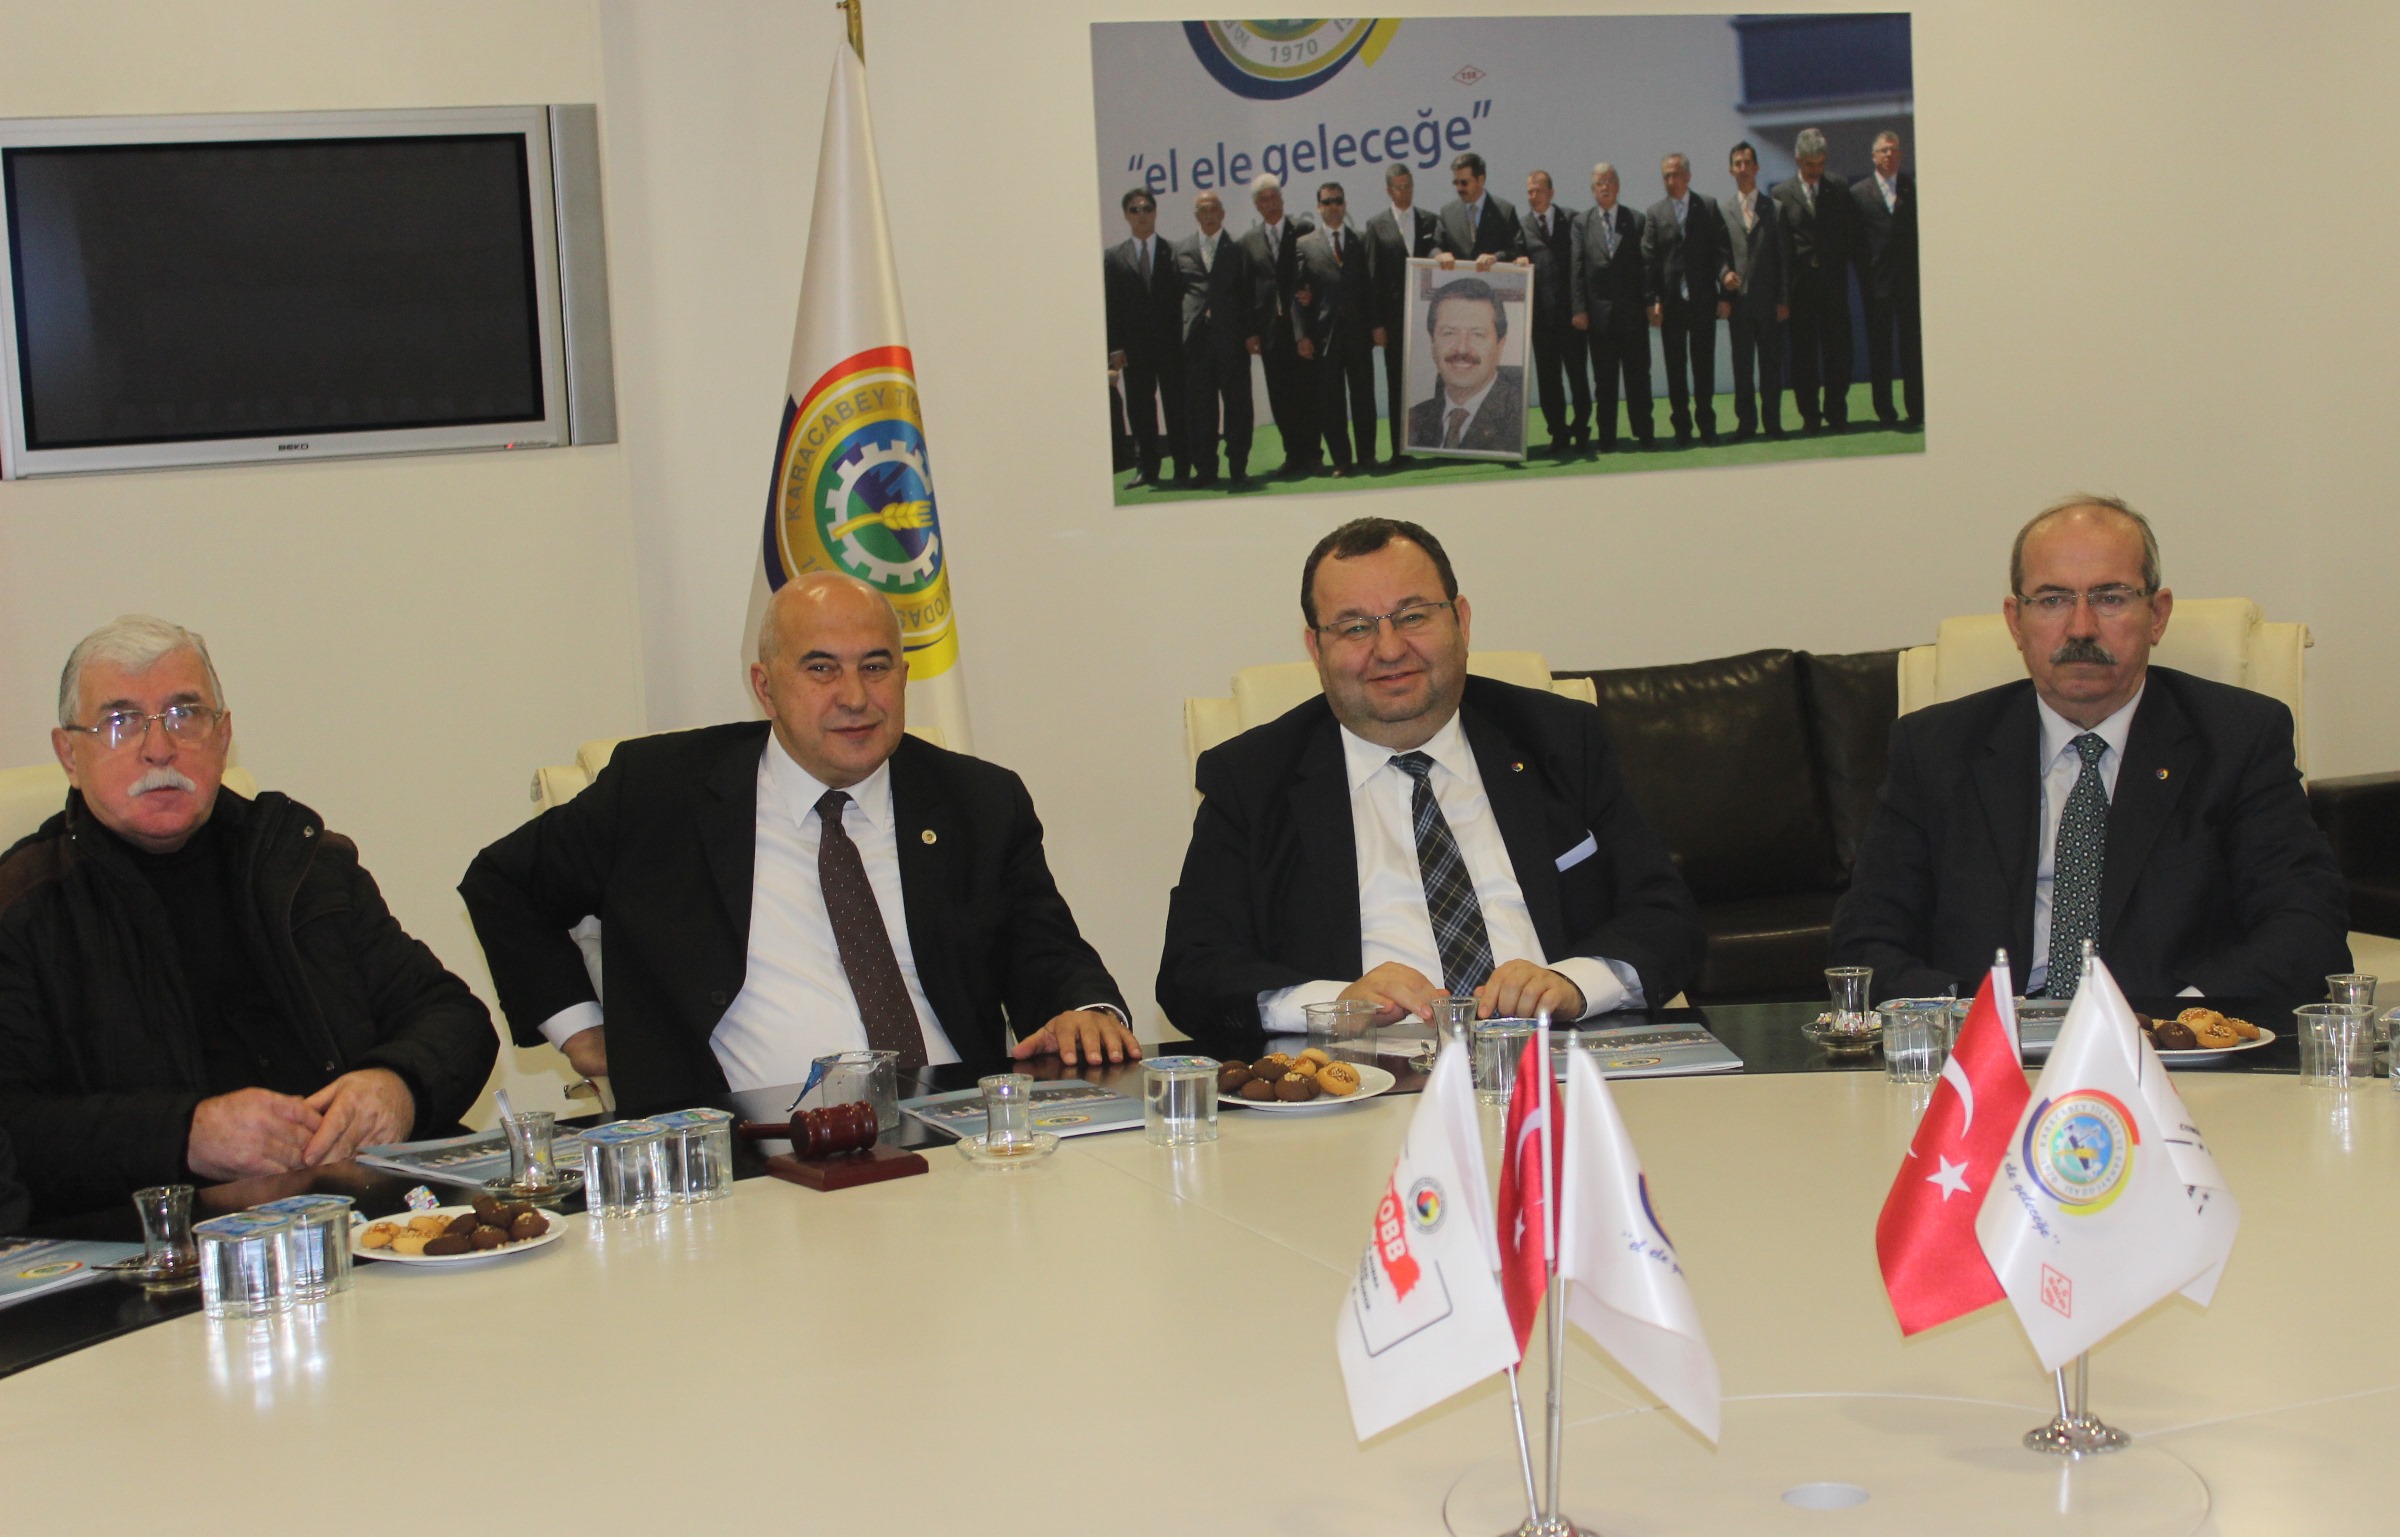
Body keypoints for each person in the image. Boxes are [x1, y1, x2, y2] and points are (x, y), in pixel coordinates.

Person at [461, 574, 1137, 1119]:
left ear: (904, 676)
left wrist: (1086, 1010)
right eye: (821, 668)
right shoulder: (660, 792)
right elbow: (502, 882)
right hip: (746, 1151)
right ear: (766, 687)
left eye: (876, 666)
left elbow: (1045, 948)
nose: (855, 696)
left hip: (955, 1131)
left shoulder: (978, 800)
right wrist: (580, 1030)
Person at [0, 616, 495, 1224]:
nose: (159, 748)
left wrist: (398, 1086)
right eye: (121, 722)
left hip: (368, 1215)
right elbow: (15, 1128)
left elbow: (455, 1018)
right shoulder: (22, 907)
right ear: (69, 755)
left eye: (184, 714)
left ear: (224, 735)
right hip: (163, 1240)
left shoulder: (297, 861)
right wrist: (185, 1135)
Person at [1157, 518, 1704, 1058]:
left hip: (1560, 1064)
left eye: (1412, 616)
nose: (1389, 649)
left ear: (1461, 621)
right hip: (1365, 1077)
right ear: (1315, 648)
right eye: (1354, 627)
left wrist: (1574, 984)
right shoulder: (1252, 778)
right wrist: (1334, 1004)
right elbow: (1192, 968)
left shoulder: (1560, 738)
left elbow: (1667, 915)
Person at [1831, 497, 2349, 1003]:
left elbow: (2307, 926)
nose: (2081, 628)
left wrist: (2184, 1021)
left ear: (2157, 614)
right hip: (1988, 1038)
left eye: (2110, 598)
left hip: (2167, 1037)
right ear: (2015, 621)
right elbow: (1867, 939)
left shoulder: (2239, 738)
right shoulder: (1934, 748)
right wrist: (1970, 1021)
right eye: (2052, 600)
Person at [1642, 153, 1734, 446]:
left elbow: (1720, 251)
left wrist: (1724, 291)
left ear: (1688, 176)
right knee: (1675, 367)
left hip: (1703, 301)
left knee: (1704, 365)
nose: (1671, 181)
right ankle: (1682, 427)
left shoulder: (1706, 206)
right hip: (1671, 304)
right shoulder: (1655, 213)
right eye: (1666, 176)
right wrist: (1653, 300)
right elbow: (1650, 261)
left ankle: (1707, 425)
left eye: (1676, 175)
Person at [1772, 126, 1859, 433]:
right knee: (1803, 354)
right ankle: (1810, 415)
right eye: (1810, 165)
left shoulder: (1839, 187)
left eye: (1820, 164)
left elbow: (1849, 234)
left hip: (1833, 286)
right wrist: (1783, 295)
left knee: (1839, 350)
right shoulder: (1781, 194)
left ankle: (1836, 411)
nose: (1815, 171)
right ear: (1798, 160)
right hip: (1801, 289)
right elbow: (1781, 248)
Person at [1171, 190, 1260, 486]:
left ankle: (1238, 467)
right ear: (1196, 215)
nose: (1209, 215)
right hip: (1196, 342)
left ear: (1222, 214)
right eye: (1203, 210)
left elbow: (1248, 294)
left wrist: (1250, 332)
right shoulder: (1181, 250)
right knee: (1200, 409)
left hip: (1231, 340)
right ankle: (1206, 470)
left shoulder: (1238, 248)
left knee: (1238, 406)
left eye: (1213, 210)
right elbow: (1173, 296)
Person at [1293, 182, 1378, 477]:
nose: (1333, 207)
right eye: (1327, 202)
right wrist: (1302, 335)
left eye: (1338, 201)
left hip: (1358, 332)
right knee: (1331, 401)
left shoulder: (1360, 240)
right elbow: (1298, 294)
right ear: (1318, 207)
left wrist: (1376, 326)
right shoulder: (1305, 244)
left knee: (1363, 396)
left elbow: (1370, 288)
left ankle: (1368, 456)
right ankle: (1342, 460)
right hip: (1324, 335)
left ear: (1345, 204)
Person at [1103, 187, 1185, 486]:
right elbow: (1110, 305)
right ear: (1126, 215)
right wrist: (1114, 348)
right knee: (1140, 410)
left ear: (1155, 213)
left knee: (1177, 406)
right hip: (1134, 349)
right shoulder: (1113, 257)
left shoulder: (1173, 251)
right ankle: (1147, 469)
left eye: (1147, 208)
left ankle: (1183, 465)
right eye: (1135, 210)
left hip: (1170, 345)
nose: (1142, 215)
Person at [1239, 173, 1318, 476]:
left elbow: (1317, 270)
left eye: (1274, 197)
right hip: (1269, 330)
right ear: (1257, 206)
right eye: (1264, 200)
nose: (1270, 203)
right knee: (1280, 395)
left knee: (1307, 392)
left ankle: (1313, 455)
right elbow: (1247, 289)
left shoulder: (1303, 230)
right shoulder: (1248, 241)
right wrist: (1250, 331)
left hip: (1301, 328)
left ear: (1282, 199)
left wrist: (1311, 293)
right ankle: (1293, 455)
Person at [1570, 162, 1652, 452]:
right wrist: (1578, 308)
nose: (1604, 187)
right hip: (1599, 316)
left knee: (1638, 376)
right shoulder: (1582, 223)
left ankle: (1645, 433)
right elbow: (1577, 268)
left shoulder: (1637, 220)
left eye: (1608, 181)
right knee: (1604, 380)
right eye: (1598, 183)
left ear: (1617, 186)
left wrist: (1651, 302)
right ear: (1592, 190)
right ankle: (1607, 437)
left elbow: (1646, 267)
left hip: (1633, 314)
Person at [1362, 164, 1439, 463]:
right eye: (1398, 187)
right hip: (1393, 323)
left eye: (1408, 186)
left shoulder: (1430, 220)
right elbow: (1371, 280)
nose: (1404, 192)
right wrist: (1376, 324)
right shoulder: (1375, 225)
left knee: (1433, 382)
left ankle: (1437, 446)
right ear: (1388, 190)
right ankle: (1400, 450)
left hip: (1430, 319)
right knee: (1398, 386)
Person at [1850, 130, 1922, 428]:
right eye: (1883, 150)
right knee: (1880, 348)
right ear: (1873, 156)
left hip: (1909, 283)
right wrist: (1865, 276)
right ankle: (1885, 411)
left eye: (1894, 150)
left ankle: (1916, 408)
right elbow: (1854, 242)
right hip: (1876, 284)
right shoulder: (1858, 193)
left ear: (1901, 155)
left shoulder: (1912, 188)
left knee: (1912, 348)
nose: (1889, 155)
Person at [1405, 277, 1525, 454]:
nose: (1462, 348)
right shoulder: (1414, 419)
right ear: (1432, 342)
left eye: (1477, 334)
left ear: (1500, 345)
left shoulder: (1518, 417)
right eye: (1449, 333)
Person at [1719, 141, 1787, 440]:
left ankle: (1773, 424)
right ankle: (1746, 424)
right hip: (1740, 304)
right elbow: (1720, 255)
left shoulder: (1774, 209)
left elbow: (1783, 259)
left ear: (1757, 167)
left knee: (1771, 365)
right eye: (1738, 164)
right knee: (1743, 367)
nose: (1743, 169)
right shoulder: (1724, 211)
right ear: (1731, 170)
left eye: (1747, 163)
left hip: (1769, 303)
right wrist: (1724, 276)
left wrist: (1783, 299)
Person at [1520, 170, 1590, 453]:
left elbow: (1582, 266)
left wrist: (1581, 308)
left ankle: (1582, 428)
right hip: (1541, 320)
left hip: (1572, 317)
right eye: (1529, 191)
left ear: (1551, 192)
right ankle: (1558, 433)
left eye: (1538, 190)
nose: (1533, 196)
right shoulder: (1522, 226)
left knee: (1578, 376)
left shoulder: (1572, 219)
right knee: (1549, 381)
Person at [1433, 151, 1526, 266]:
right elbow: (1435, 247)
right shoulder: (1447, 213)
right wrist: (1440, 255)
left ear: (1480, 180)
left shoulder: (1504, 211)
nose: (1459, 188)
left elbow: (1517, 250)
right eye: (1456, 182)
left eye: (1464, 183)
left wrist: (1495, 258)